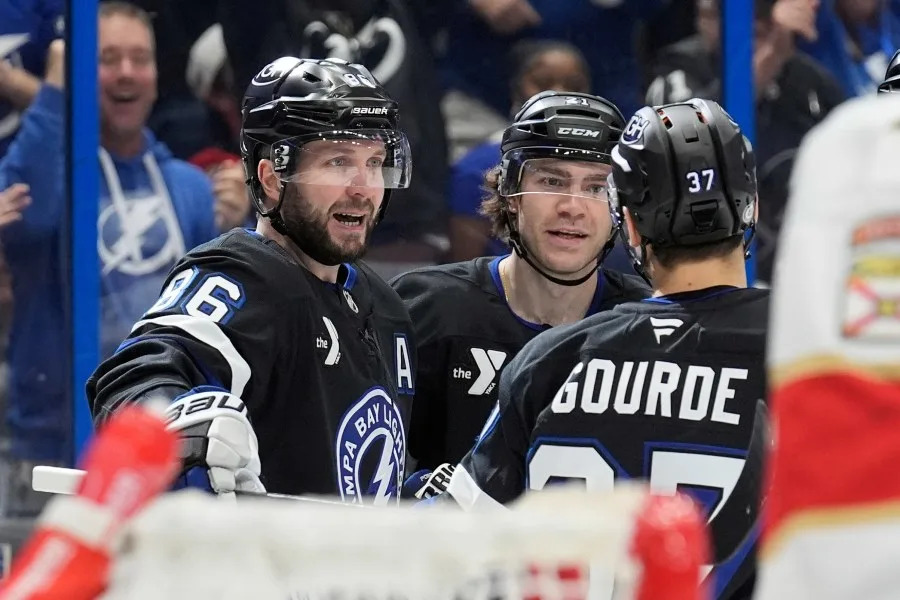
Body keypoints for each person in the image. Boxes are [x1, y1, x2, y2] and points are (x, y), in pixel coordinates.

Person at [442, 99, 768, 599]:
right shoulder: (805, 354)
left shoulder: (549, 361)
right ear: (752, 208)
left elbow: (458, 550)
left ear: (630, 225)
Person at [87, 56, 417, 504]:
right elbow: (137, 376)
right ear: (272, 177)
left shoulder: (387, 308)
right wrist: (177, 420)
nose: (364, 187)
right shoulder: (242, 276)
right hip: (258, 571)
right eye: (339, 161)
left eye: (375, 162)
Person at [391, 91, 649, 479]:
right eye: (551, 180)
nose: (573, 206)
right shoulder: (422, 309)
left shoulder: (650, 328)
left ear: (620, 208)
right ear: (510, 192)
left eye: (596, 187)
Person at [97, 2, 217, 359]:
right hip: (69, 407)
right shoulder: (56, 183)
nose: (127, 73)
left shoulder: (193, 188)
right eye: (108, 58)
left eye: (140, 59)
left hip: (172, 399)